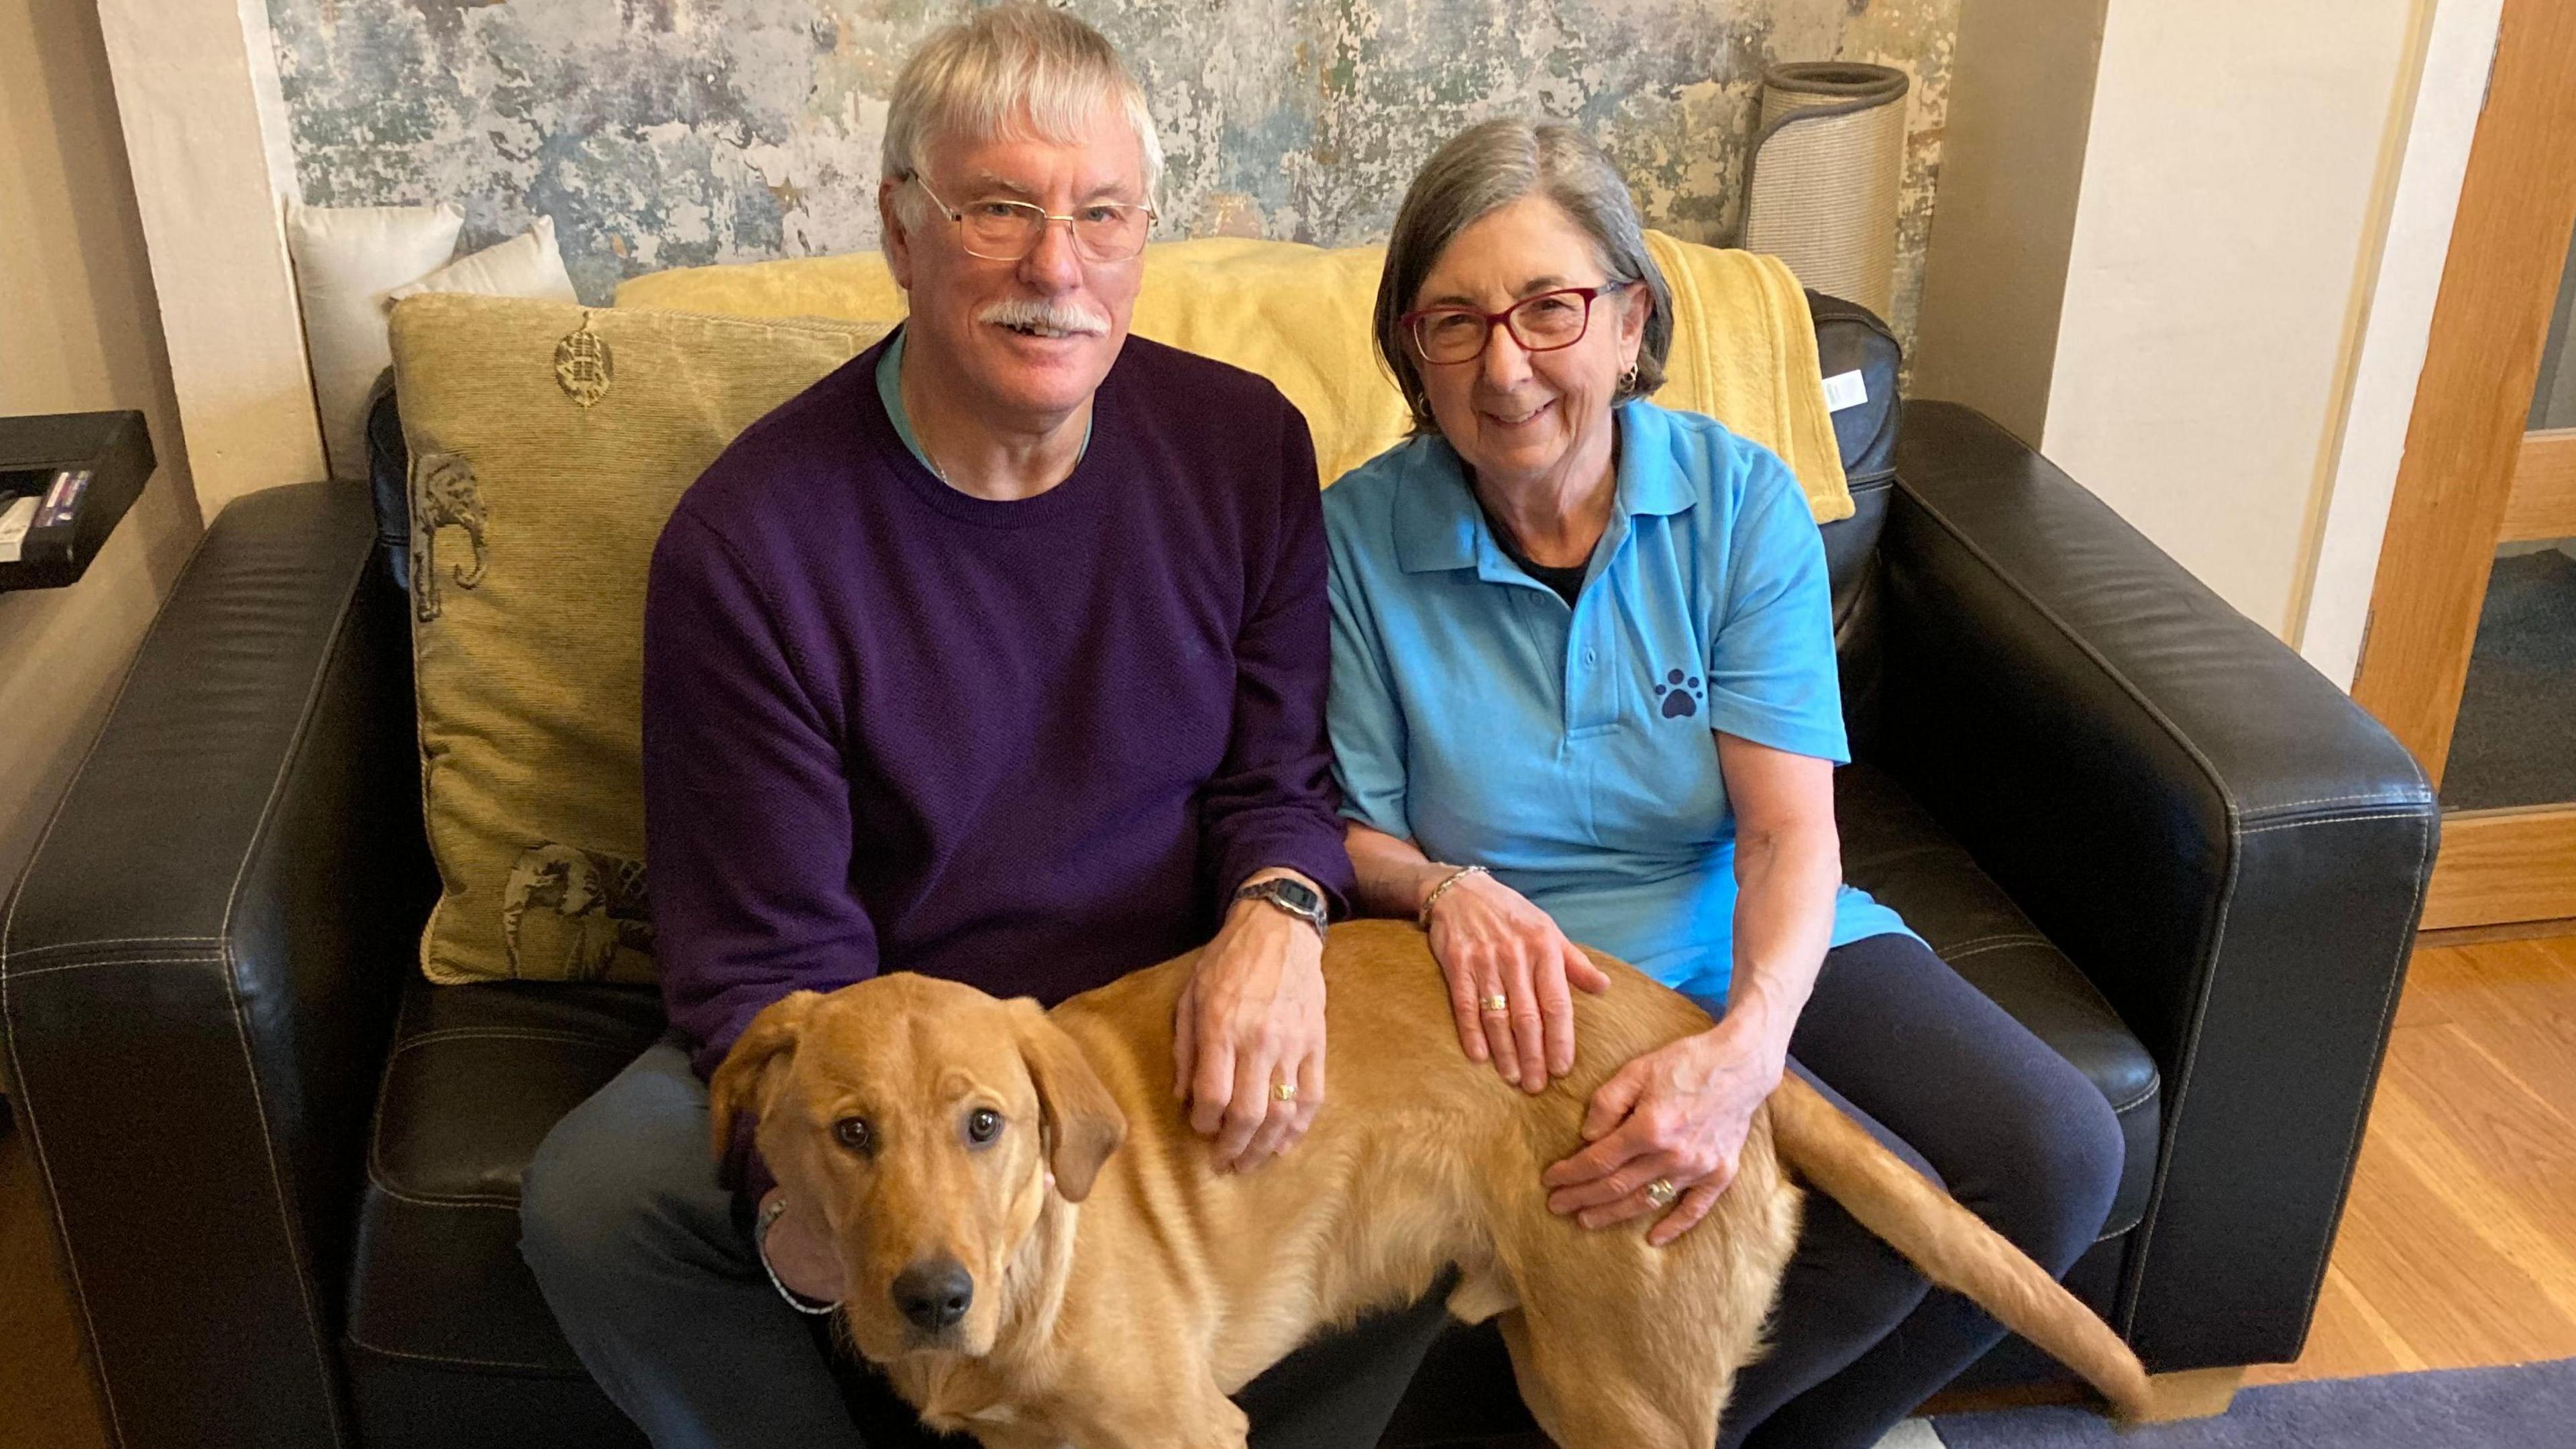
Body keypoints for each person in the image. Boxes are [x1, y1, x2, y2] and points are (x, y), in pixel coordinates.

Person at [518, 9, 1450, 1446]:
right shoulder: (750, 545)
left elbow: (1280, 776)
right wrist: (853, 1196)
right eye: (998, 209)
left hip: (1158, 1013)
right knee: (600, 1199)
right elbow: (767, 959)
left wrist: (1280, 916)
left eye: (1099, 214)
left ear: (1147, 234)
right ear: (902, 227)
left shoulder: (1245, 447)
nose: (1055, 268)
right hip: (886, 1039)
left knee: (1379, 1123)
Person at [1322, 119, 2126, 1449]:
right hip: (1529, 981)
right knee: (1850, 1229)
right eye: (1453, 323)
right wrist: (1444, 887)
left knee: (2053, 1154)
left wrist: (1749, 1049)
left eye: (1550, 308)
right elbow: (1350, 830)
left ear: (1632, 320)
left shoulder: (1741, 502)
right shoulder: (1353, 534)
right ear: (1411, 350)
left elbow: (1787, 829)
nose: (1504, 363)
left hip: (1727, 913)